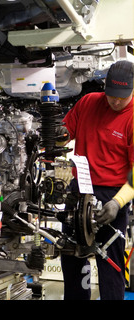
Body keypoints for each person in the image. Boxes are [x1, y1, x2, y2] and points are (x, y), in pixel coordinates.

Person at [60, 60, 134, 300]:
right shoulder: (88, 102)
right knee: (72, 258)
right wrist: (51, 138)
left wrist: (117, 203)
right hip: (79, 191)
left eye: (122, 97)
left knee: (110, 263)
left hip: (112, 195)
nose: (116, 101)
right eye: (112, 94)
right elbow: (64, 133)